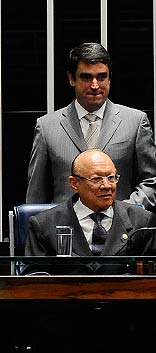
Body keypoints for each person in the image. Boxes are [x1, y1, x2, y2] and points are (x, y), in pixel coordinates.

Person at [26, 42, 156, 211]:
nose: (95, 85)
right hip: (66, 231)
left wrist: (125, 211)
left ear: (110, 78)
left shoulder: (135, 122)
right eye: (86, 77)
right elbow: (37, 193)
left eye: (102, 77)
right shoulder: (47, 127)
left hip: (121, 231)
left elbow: (151, 180)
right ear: (72, 78)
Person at [25, 149, 156, 274]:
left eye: (111, 177)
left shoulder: (142, 222)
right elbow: (35, 281)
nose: (107, 186)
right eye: (96, 179)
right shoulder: (43, 225)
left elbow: (149, 279)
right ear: (74, 183)